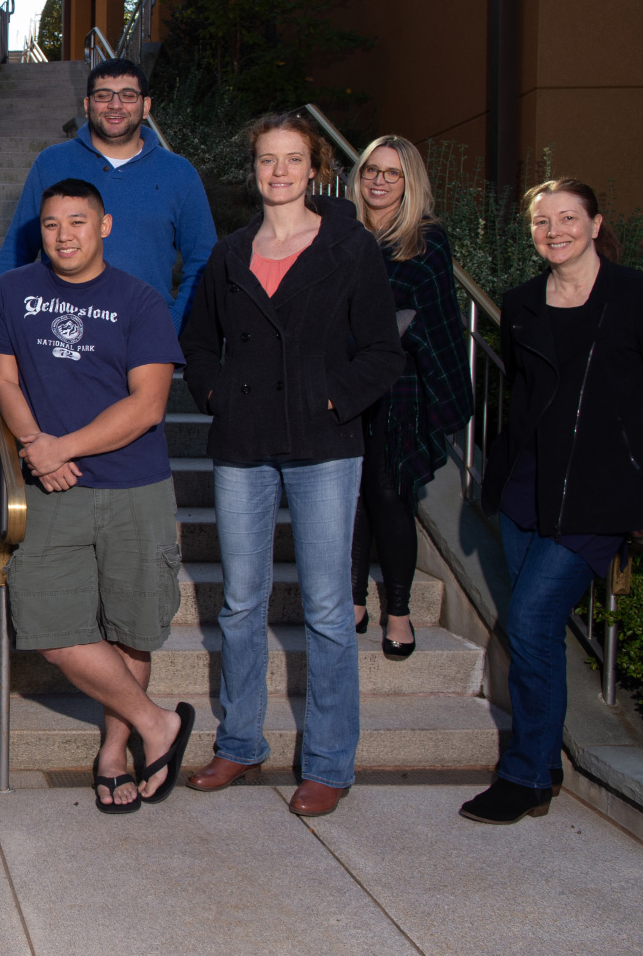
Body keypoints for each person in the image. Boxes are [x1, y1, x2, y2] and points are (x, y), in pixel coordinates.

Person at [179, 113, 403, 817]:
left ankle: (330, 761)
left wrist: (334, 400)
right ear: (255, 170)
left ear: (315, 170)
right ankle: (240, 742)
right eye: (268, 160)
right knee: (242, 603)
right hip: (243, 443)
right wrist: (216, 395)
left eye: (293, 159)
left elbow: (383, 352)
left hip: (324, 445)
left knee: (329, 607)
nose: (279, 171)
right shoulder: (229, 252)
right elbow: (198, 341)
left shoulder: (349, 247)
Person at [462, 178, 643, 825]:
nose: (554, 230)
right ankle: (545, 755)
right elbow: (524, 401)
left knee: (531, 625)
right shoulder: (523, 302)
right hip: (526, 495)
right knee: (539, 636)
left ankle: (528, 775)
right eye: (542, 222)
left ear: (595, 224)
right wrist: (499, 480)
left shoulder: (638, 296)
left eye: (568, 218)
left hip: (600, 497)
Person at [0, 177, 195, 814]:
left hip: (134, 487)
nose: (64, 235)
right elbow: (3, 376)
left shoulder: (140, 300)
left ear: (104, 227)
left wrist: (59, 448)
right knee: (48, 623)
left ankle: (114, 751)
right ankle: (161, 724)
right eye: (51, 224)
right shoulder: (13, 293)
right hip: (53, 492)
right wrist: (32, 444)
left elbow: (149, 406)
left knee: (131, 629)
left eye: (78, 222)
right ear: (38, 231)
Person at [0, 57, 216, 335]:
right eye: (103, 96)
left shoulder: (179, 173)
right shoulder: (52, 163)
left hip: (143, 334)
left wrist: (174, 321)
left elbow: (203, 259)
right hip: (59, 332)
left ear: (146, 106)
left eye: (128, 95)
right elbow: (18, 247)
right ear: (88, 106)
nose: (115, 105)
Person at [346, 136, 473, 659]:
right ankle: (351, 600)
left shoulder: (426, 239)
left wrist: (371, 333)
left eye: (391, 174)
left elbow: (430, 314)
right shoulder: (339, 232)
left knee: (387, 491)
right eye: (371, 171)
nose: (378, 181)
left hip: (400, 384)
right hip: (345, 381)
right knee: (347, 494)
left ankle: (397, 610)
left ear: (410, 182)